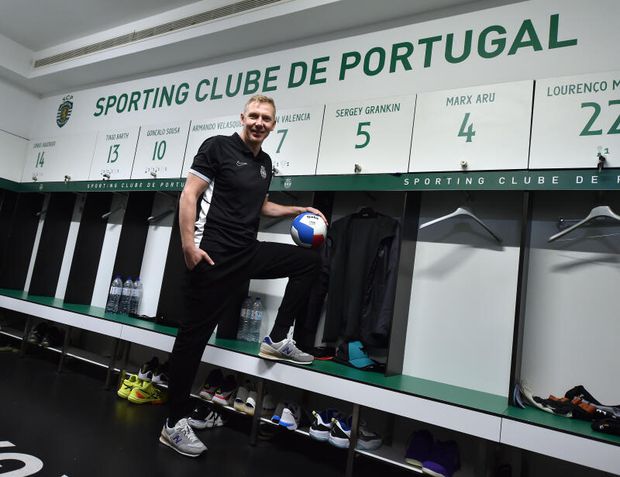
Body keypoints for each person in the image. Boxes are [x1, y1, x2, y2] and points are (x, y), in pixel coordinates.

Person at [159, 94, 327, 457]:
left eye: (266, 118)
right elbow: (189, 195)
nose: (259, 123)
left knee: (309, 262)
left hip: (246, 251)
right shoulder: (217, 147)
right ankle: (173, 423)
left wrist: (296, 209)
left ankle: (277, 338)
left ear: (273, 125)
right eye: (254, 116)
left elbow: (260, 205)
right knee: (193, 339)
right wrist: (188, 245)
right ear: (242, 117)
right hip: (214, 255)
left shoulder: (264, 163)